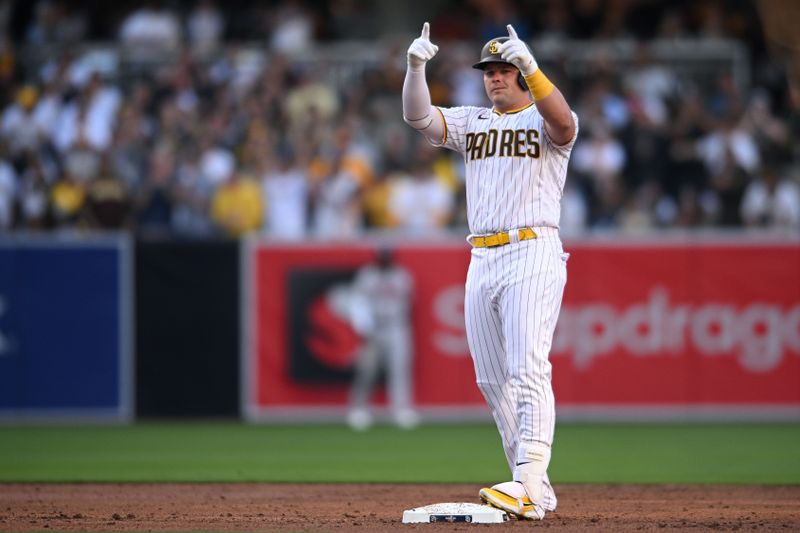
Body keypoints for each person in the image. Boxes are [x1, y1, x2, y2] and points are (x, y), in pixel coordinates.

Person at [402, 23, 578, 520]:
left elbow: (564, 124)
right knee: (491, 379)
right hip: (482, 255)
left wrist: (533, 68)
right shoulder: (474, 121)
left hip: (532, 248)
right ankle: (535, 490)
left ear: (522, 75)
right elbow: (417, 116)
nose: (495, 78)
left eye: (504, 71)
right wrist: (416, 68)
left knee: (527, 367)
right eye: (490, 72)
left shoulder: (543, 121)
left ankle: (526, 480)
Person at [346, 247, 417, 431]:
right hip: (373, 327)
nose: (384, 262)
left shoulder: (402, 276)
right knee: (367, 369)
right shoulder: (367, 276)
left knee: (399, 367)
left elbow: (408, 301)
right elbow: (357, 302)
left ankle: (400, 409)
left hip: (396, 325)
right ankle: (359, 408)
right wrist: (362, 325)